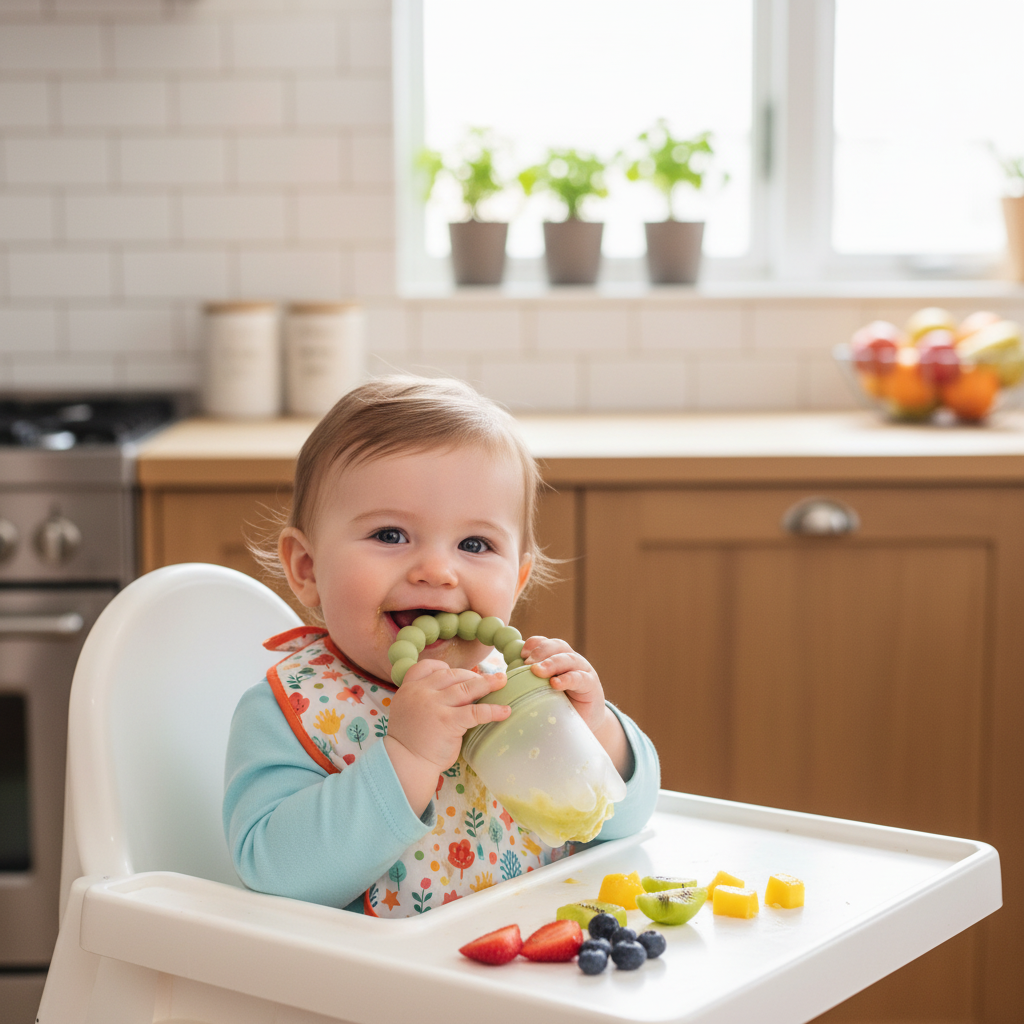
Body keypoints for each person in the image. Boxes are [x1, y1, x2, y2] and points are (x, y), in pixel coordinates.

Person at [223, 375, 660, 916]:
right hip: (378, 969)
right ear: (308, 569)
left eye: (474, 544)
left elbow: (621, 822)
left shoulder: (514, 685)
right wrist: (407, 757)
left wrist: (594, 731)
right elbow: (273, 875)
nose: (437, 570)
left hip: (534, 952)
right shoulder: (290, 710)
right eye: (390, 535)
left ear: (517, 581)